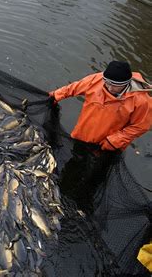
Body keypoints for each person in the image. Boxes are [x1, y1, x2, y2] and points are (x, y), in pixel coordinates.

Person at [49, 61, 152, 211]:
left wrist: (114, 141)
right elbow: (74, 88)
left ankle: (85, 198)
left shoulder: (142, 101)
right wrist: (55, 95)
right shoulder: (97, 80)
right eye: (106, 82)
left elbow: (140, 127)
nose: (108, 87)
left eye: (113, 84)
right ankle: (64, 191)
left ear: (126, 83)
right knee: (75, 164)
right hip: (83, 136)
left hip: (107, 146)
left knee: (96, 175)